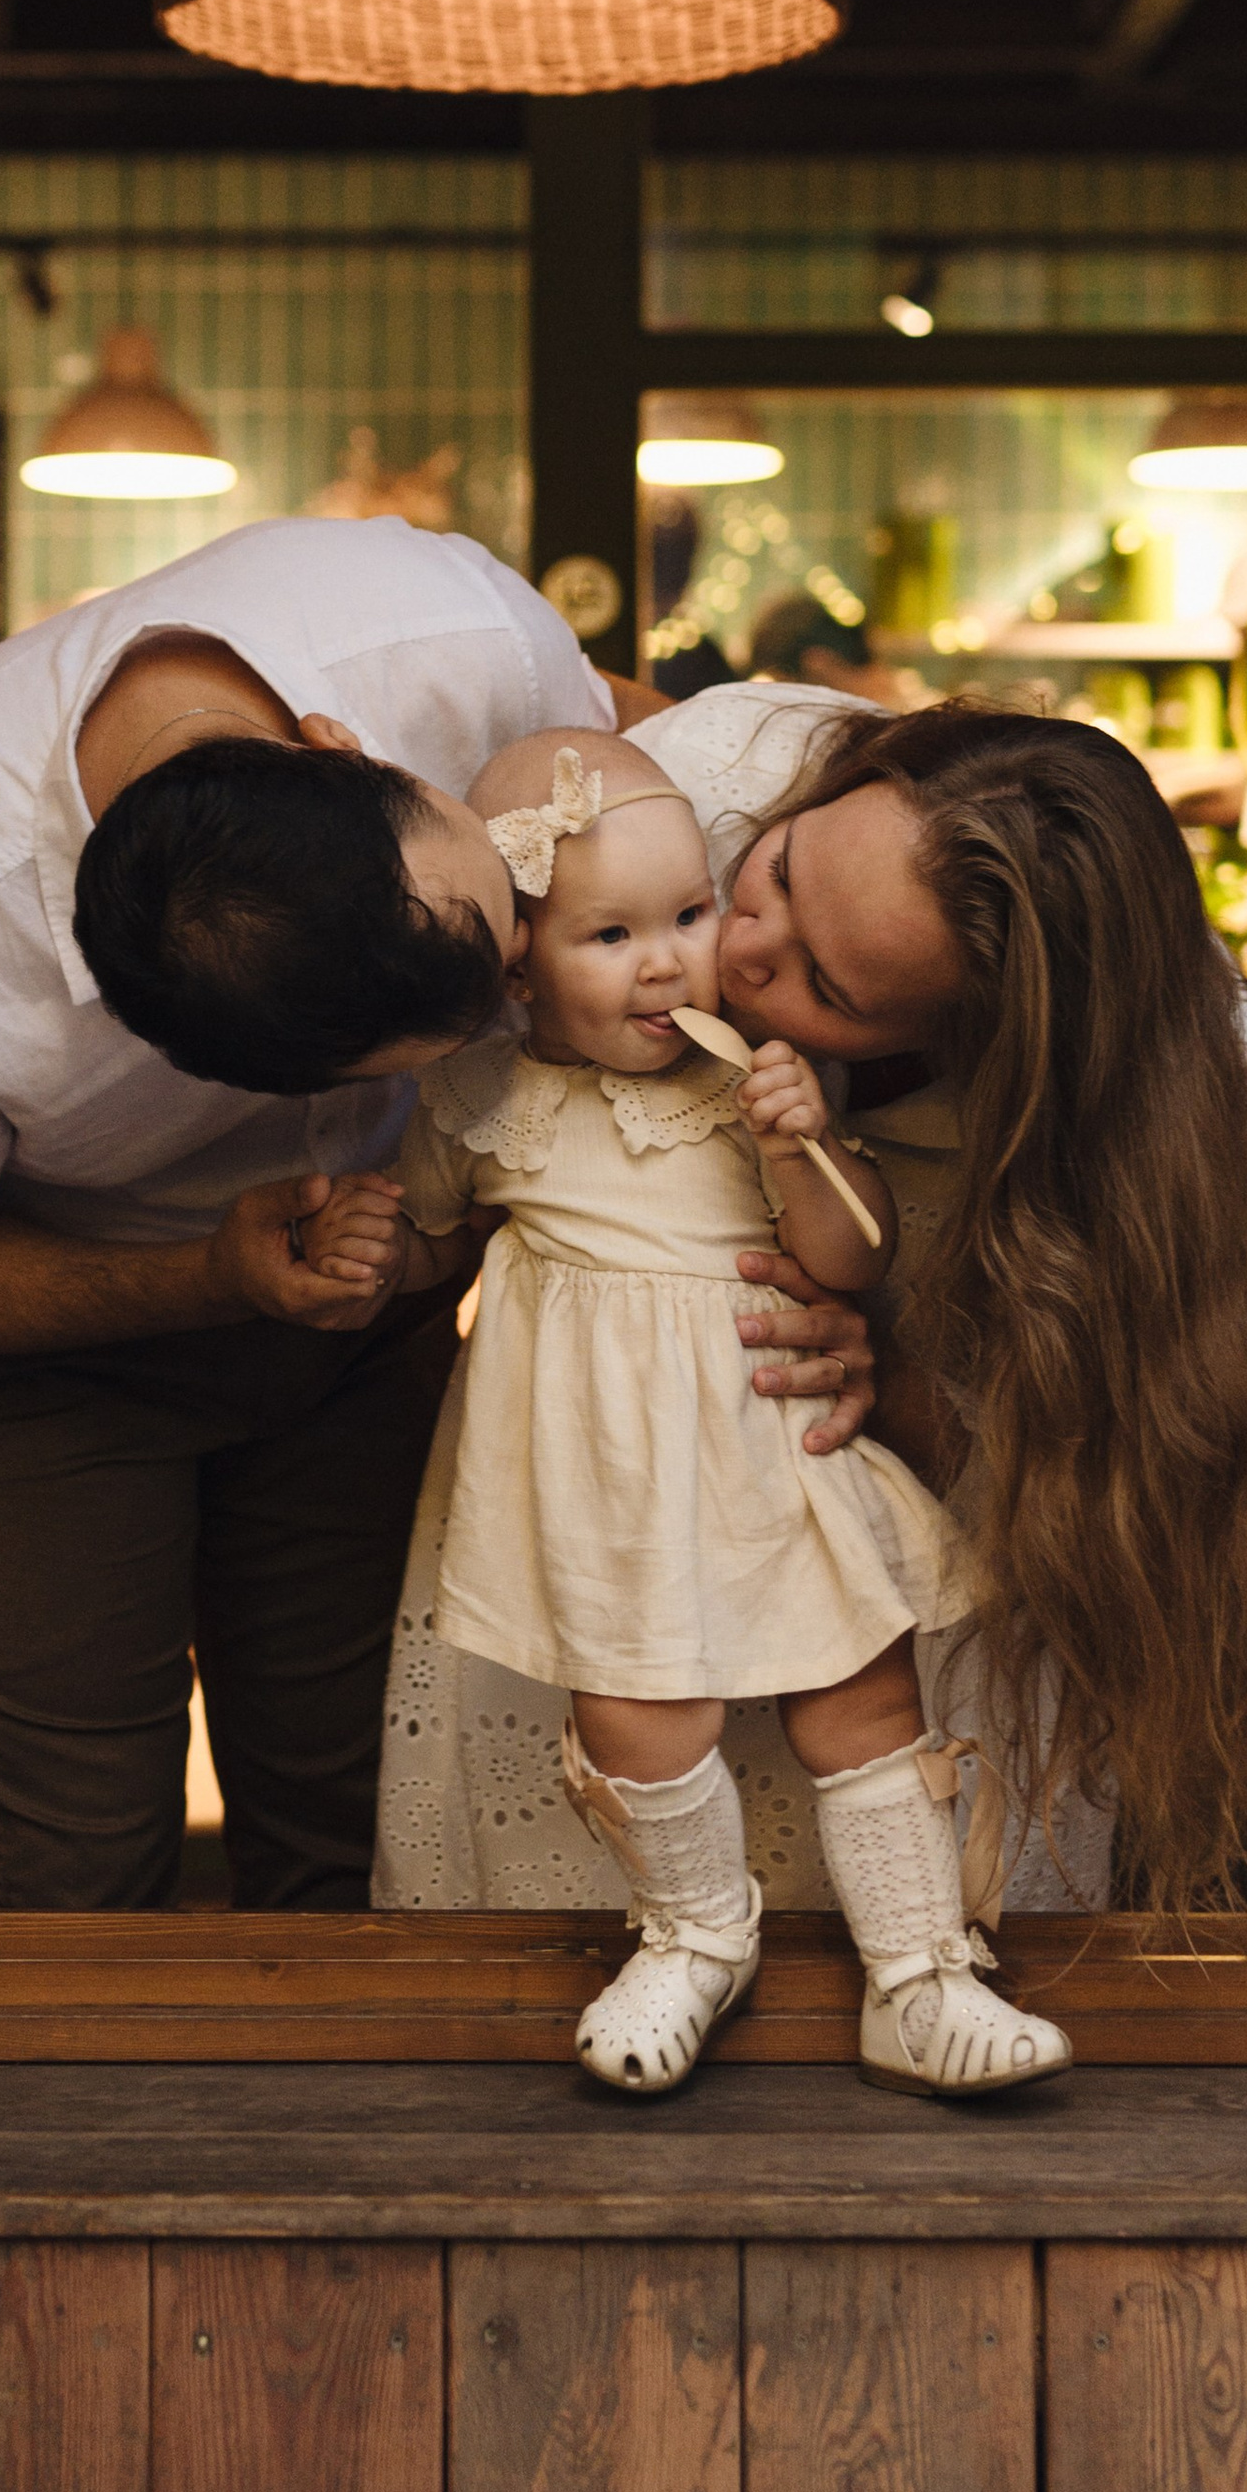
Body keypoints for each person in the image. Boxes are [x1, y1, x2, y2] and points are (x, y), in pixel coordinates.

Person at [0, 517, 866, 1910]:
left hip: (374, 1325)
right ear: (193, 1064)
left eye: (505, 925)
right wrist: (206, 1279)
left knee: (364, 1813)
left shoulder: (435, 632)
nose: (536, 986)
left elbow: (664, 773)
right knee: (78, 1850)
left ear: (343, 743)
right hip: (48, 1355)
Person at [374, 686, 1247, 1958]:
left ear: (971, 1039)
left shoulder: (1138, 1088)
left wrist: (909, 1370)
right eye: (768, 876)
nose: (739, 954)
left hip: (883, 1578)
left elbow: (1070, 1463)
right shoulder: (713, 785)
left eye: (825, 981)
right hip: (616, 1515)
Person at [308, 731, 1063, 2099]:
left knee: (861, 1695)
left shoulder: (750, 1079)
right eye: (612, 933)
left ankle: (921, 1973)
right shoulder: (477, 1100)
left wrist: (806, 1144)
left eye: (691, 916)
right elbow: (435, 1250)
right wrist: (377, 1251)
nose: (670, 962)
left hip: (771, 1450)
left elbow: (849, 1262)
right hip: (602, 1480)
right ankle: (697, 1934)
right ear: (518, 956)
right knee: (639, 1722)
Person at [746, 589, 916, 709]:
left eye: (786, 684)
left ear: (817, 663)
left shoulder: (888, 716)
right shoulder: (901, 696)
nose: (786, 699)